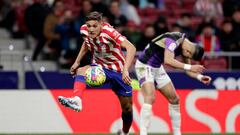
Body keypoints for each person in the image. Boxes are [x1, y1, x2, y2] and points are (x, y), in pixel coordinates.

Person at [58, 11, 136, 135]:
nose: (91, 29)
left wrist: (126, 70)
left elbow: (131, 47)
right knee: (81, 71)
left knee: (127, 108)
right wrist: (77, 61)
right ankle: (77, 100)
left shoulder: (109, 32)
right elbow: (86, 43)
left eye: (94, 26)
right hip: (100, 67)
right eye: (89, 26)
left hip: (119, 71)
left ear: (101, 24)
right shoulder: (84, 30)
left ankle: (125, 132)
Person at [134, 32, 212, 135]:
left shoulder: (186, 47)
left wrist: (200, 77)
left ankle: (177, 133)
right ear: (188, 52)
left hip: (157, 67)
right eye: (189, 56)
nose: (187, 58)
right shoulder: (172, 40)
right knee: (150, 96)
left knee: (174, 99)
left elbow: (188, 70)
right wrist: (190, 67)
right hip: (144, 65)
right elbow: (168, 61)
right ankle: (143, 133)